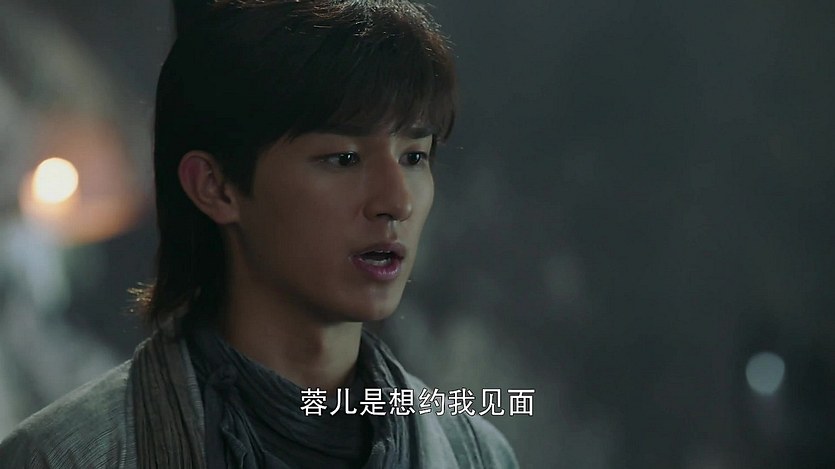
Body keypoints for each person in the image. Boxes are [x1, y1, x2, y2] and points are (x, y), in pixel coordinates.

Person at [0, 0, 518, 467]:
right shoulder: (66, 456)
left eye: (415, 157)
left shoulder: (475, 453)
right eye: (343, 158)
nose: (396, 201)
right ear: (216, 187)